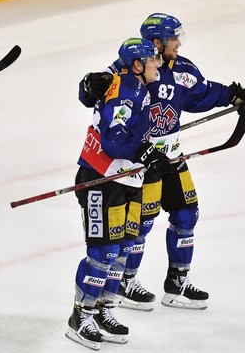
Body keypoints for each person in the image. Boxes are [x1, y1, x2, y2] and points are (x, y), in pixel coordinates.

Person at [80, 13, 245, 311]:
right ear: (156, 43)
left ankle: (177, 284)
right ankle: (124, 282)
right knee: (140, 226)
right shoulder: (130, 68)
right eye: (173, 37)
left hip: (172, 156)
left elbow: (200, 94)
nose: (178, 42)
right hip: (143, 161)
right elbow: (97, 97)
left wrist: (233, 95)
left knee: (187, 215)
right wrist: (87, 85)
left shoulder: (183, 68)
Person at [66, 38, 171, 350]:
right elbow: (113, 140)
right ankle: (80, 316)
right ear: (138, 65)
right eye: (153, 61)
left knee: (121, 249)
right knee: (101, 254)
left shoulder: (137, 86)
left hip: (128, 180)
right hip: (101, 180)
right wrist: (144, 151)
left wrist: (147, 151)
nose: (158, 64)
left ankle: (104, 309)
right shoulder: (126, 88)